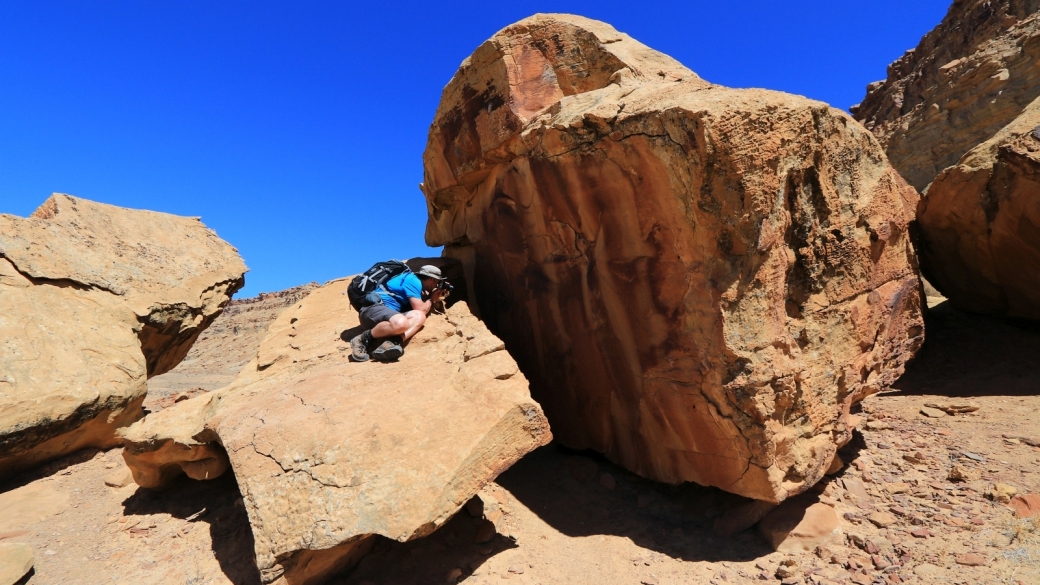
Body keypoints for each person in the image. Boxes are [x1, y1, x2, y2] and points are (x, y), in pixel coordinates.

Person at [350, 264, 449, 362]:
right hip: (372, 310)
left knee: (420, 316)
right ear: (431, 279)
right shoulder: (413, 280)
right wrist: (432, 299)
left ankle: (392, 343)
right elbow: (421, 308)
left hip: (387, 316)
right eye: (437, 282)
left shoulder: (416, 284)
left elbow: (420, 312)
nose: (437, 285)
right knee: (401, 323)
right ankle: (362, 339)